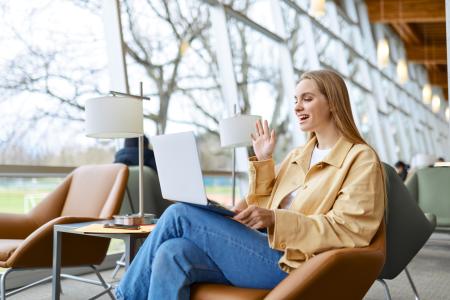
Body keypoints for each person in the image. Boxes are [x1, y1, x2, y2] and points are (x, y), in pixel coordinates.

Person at [115, 70, 386, 300]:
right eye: (296, 100)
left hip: (296, 263)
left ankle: (123, 296)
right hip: (264, 248)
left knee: (179, 215)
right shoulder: (297, 156)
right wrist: (264, 160)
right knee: (171, 253)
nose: (297, 107)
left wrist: (276, 219)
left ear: (333, 103)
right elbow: (260, 207)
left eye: (307, 98)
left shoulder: (360, 158)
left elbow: (351, 230)